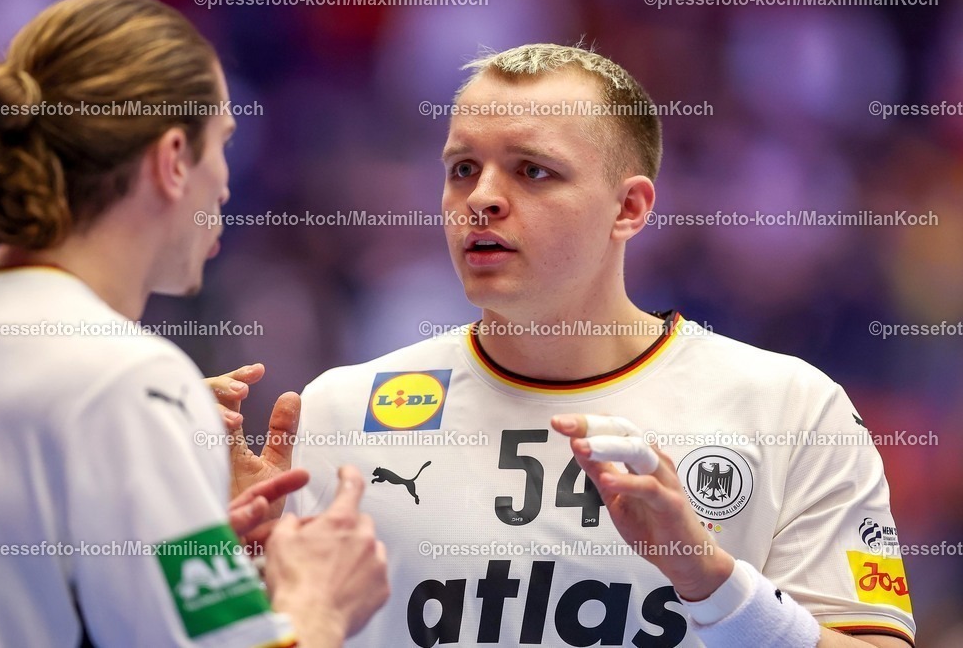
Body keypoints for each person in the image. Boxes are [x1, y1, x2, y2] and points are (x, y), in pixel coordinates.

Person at [255, 44, 913, 647]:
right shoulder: (340, 409)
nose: (480, 198)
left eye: (532, 171)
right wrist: (226, 563)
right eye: (462, 168)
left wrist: (711, 580)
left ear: (629, 208)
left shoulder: (792, 409)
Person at [0, 0, 387, 648]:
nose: (227, 184)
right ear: (173, 158)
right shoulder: (127, 381)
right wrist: (319, 604)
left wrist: (180, 506)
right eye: (224, 144)